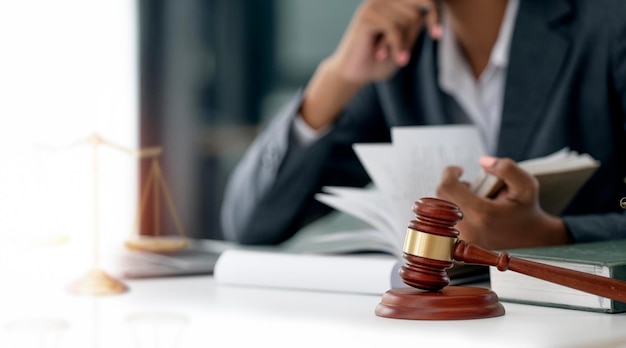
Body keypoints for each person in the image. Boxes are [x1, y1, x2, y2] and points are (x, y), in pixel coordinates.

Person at [220, 0, 626, 250]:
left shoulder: (609, 24)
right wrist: (337, 77)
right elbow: (251, 223)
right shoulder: (399, 53)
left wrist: (553, 235)